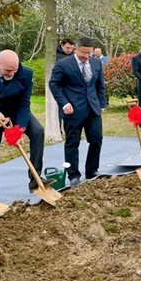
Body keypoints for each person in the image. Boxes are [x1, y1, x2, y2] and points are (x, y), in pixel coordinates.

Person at [0, 50, 53, 197]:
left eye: (14, 70)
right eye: (7, 70)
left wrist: (19, 129)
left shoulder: (26, 74)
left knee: (38, 131)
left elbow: (24, 104)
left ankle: (35, 179)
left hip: (17, 112)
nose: (12, 73)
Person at [49, 37, 107, 186]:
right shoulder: (63, 64)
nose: (86, 56)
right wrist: (64, 103)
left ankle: (92, 170)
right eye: (83, 53)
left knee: (96, 140)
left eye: (89, 53)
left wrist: (102, 104)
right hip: (73, 110)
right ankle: (73, 175)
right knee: (72, 143)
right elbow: (54, 84)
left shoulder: (96, 63)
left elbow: (100, 85)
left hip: (93, 109)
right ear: (76, 49)